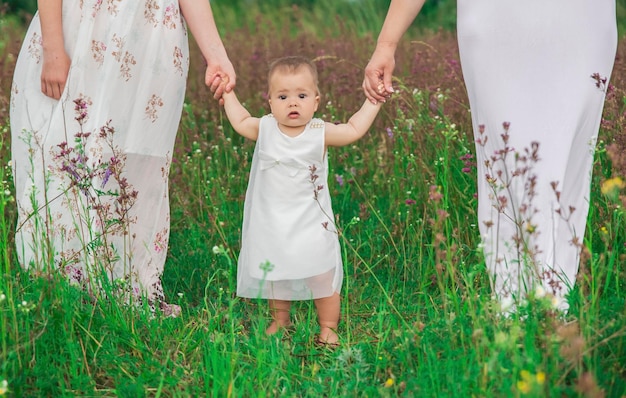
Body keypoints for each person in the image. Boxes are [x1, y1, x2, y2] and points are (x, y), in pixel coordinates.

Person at [363, 0, 617, 312]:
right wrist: (386, 44)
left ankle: (551, 301)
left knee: (568, 160)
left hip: (582, 24)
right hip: (497, 22)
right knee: (506, 156)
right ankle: (519, 306)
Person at [10, 0, 235, 316]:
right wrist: (53, 47)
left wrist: (216, 56)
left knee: (135, 165)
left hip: (153, 38)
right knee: (63, 149)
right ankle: (62, 284)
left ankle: (130, 290)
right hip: (83, 31)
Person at [220, 56, 381, 344]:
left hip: (310, 222)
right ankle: (280, 321)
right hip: (273, 223)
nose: (292, 103)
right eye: (283, 96)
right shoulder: (265, 128)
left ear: (316, 102)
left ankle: (328, 326)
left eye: (301, 96)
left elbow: (353, 129)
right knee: (276, 275)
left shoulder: (319, 131)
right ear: (270, 102)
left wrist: (374, 102)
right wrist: (228, 93)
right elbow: (241, 120)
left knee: (320, 274)